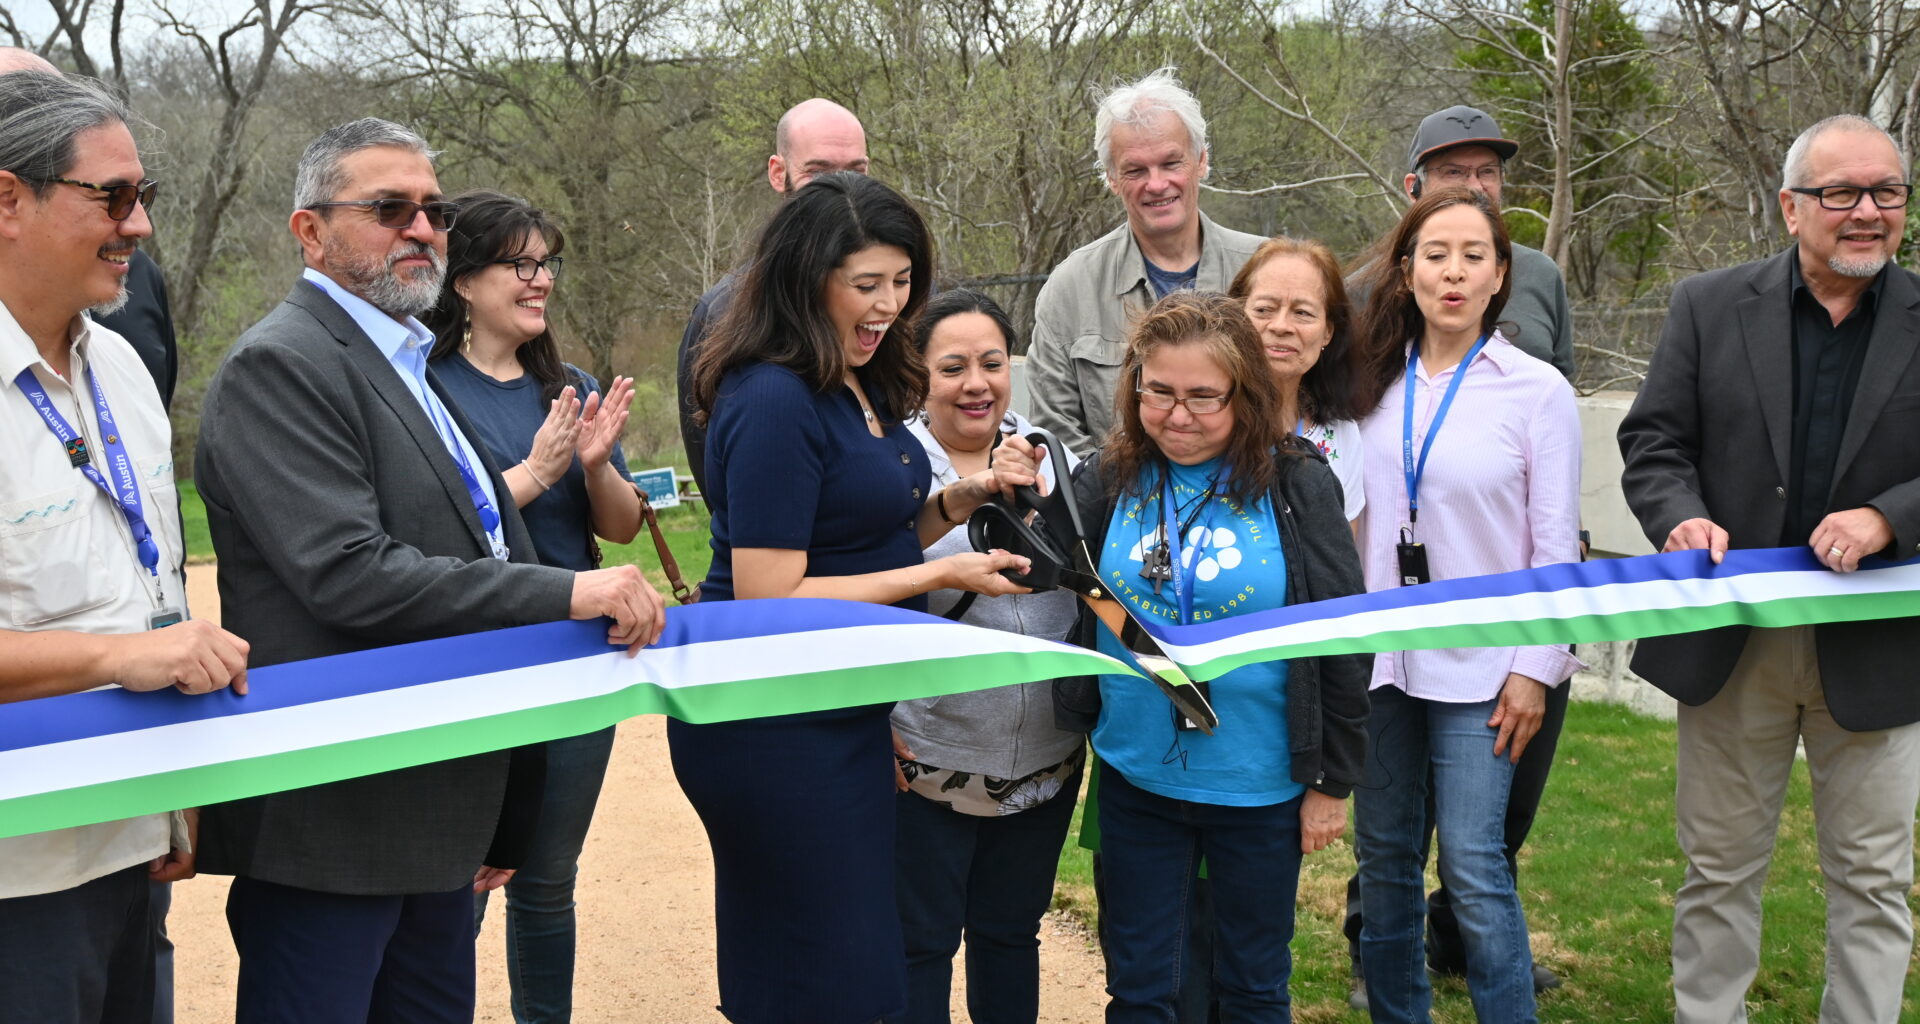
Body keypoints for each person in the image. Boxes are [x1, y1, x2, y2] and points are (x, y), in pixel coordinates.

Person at [193, 118, 667, 1023]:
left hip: (439, 813)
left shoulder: (409, 364)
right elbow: (351, 574)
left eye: (434, 211)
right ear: (309, 230)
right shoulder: (280, 365)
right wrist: (570, 590)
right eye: (388, 209)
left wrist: (507, 807)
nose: (421, 229)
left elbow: (486, 544)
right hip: (335, 824)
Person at [677, 171, 1038, 1024]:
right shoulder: (771, 397)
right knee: (817, 979)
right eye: (864, 284)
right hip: (767, 724)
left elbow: (861, 534)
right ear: (808, 278)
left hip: (839, 709)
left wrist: (964, 497)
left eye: (903, 280)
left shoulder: (862, 376)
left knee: (858, 971)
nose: (888, 304)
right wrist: (938, 574)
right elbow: (771, 592)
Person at [1618, 114, 1920, 1024]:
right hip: (1734, 645)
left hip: (1876, 648)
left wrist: (1888, 519)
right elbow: (1654, 442)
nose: (1866, 212)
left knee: (1872, 880)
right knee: (1718, 869)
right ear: (1791, 207)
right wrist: (1683, 519)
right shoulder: (1708, 305)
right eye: (1841, 194)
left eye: (1888, 193)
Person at [0, 69, 249, 1023]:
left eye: (144, 196)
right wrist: (116, 658)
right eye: (111, 196)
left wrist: (172, 794)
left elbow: (153, 580)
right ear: (8, 199)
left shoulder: (125, 368)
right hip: (17, 877)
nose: (139, 224)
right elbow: (128, 643)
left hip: (129, 851)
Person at [1048, 290, 1367, 1020]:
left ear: (1246, 395)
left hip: (1260, 788)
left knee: (1252, 988)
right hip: (1137, 780)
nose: (1176, 416)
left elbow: (1343, 639)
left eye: (1202, 397)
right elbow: (1049, 566)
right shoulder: (1115, 474)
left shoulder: (1298, 483)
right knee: (1140, 989)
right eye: (1157, 391)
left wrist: (1332, 782)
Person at [1343, 105, 1577, 1007]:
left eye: (1473, 256)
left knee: (1477, 867)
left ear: (1499, 276)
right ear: (1406, 271)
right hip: (1381, 668)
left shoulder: (1537, 393)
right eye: (1434, 254)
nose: (1452, 272)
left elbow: (1556, 549)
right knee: (1389, 865)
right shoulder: (1367, 384)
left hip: (1487, 670)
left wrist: (1535, 671)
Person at [421, 189, 642, 1023]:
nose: (538, 278)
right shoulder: (423, 391)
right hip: (479, 663)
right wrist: (535, 474)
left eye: (546, 262)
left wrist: (591, 466)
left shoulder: (569, 385)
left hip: (578, 665)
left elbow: (618, 528)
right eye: (519, 263)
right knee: (463, 881)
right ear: (465, 280)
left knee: (549, 883)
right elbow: (431, 538)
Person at [888, 289, 1088, 1024]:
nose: (976, 382)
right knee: (921, 943)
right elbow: (857, 598)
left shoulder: (1055, 460)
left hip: (1046, 757)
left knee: (1010, 935)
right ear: (919, 374)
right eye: (953, 366)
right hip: (924, 756)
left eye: (992, 363)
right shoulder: (892, 466)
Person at [1026, 67, 1265, 457]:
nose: (1156, 184)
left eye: (1171, 163)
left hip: (1249, 505)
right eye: (1135, 170)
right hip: (1115, 510)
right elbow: (1056, 435)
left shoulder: (1264, 271)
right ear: (1111, 178)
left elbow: (1303, 406)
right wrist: (1131, 506)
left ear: (1201, 161)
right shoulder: (1071, 288)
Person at [676, 97, 869, 493]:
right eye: (819, 172)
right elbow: (717, 480)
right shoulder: (723, 314)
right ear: (778, 174)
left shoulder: (911, 300)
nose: (842, 187)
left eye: (857, 170)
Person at [1227, 236, 1367, 524]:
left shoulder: (1341, 434)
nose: (1280, 326)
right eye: (1264, 309)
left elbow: (1341, 559)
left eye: (1302, 313)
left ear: (1328, 331)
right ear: (1237, 315)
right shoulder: (1202, 417)